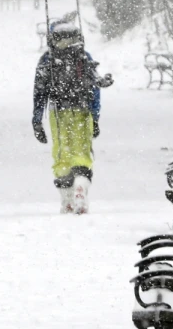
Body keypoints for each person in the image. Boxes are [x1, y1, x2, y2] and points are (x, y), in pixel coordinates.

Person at [31, 18, 112, 214]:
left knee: (62, 154)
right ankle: (80, 188)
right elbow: (94, 89)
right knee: (82, 154)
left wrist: (37, 121)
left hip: (58, 113)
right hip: (82, 111)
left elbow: (39, 93)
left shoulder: (48, 60)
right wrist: (95, 117)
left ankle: (66, 199)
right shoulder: (83, 56)